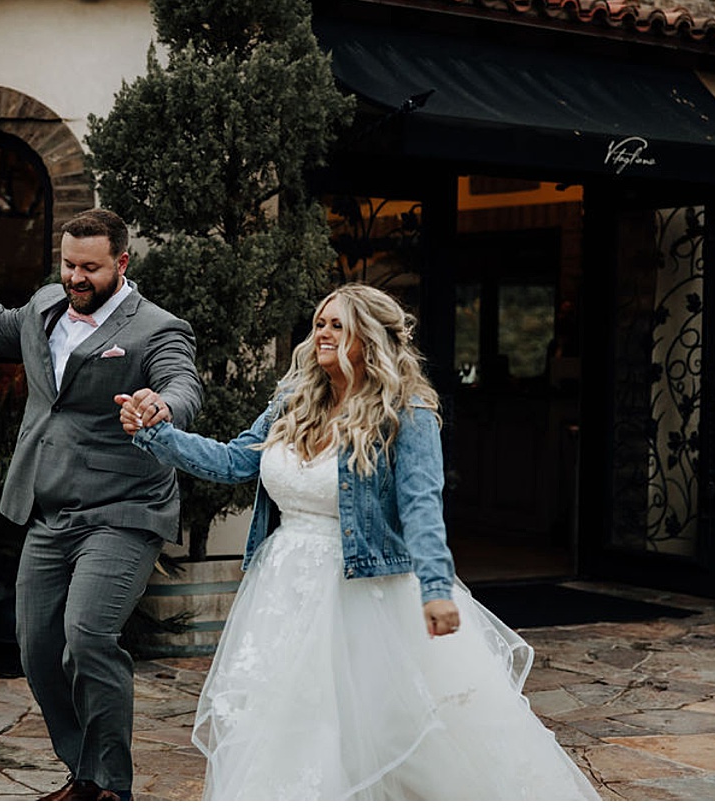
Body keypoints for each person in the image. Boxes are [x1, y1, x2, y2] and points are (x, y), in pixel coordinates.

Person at [121, 284, 600, 800]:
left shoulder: (406, 412)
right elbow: (235, 461)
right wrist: (153, 433)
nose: (322, 334)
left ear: (369, 338)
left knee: (380, 727)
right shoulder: (293, 400)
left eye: (337, 326)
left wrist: (436, 587)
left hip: (366, 590)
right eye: (320, 323)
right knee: (293, 725)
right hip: (283, 586)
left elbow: (422, 505)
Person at [0, 211, 204, 802]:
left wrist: (161, 404)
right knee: (33, 645)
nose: (76, 277)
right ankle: (86, 770)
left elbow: (183, 386)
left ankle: (111, 787)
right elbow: (2, 331)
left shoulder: (157, 328)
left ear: (122, 263)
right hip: (50, 508)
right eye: (69, 264)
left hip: (124, 510)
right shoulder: (48, 305)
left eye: (90, 267)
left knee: (86, 635)